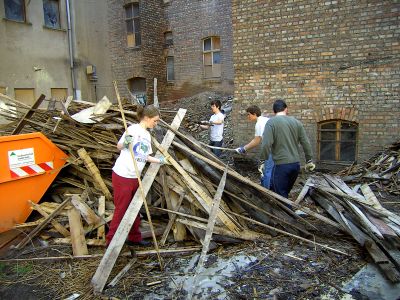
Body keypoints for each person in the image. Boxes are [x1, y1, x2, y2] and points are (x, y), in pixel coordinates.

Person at [106, 105, 169, 247]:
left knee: (134, 208)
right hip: (123, 175)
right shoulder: (133, 130)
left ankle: (135, 238)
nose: (156, 123)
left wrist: (160, 161)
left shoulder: (147, 135)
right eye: (155, 120)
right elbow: (119, 146)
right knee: (121, 209)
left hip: (135, 177)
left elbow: (145, 156)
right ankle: (111, 242)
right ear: (146, 118)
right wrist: (125, 143)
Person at [260, 99, 315, 199]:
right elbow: (306, 143)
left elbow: (266, 144)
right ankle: (285, 212)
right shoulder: (296, 122)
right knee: (284, 194)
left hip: (281, 166)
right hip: (295, 166)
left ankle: (287, 214)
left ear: (274, 111)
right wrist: (309, 160)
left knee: (280, 197)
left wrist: (262, 161)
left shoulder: (271, 123)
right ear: (286, 109)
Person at [235, 105, 274, 188]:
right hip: (277, 147)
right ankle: (268, 188)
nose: (248, 116)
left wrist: (243, 148)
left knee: (266, 171)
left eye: (249, 114)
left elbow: (256, 141)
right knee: (269, 170)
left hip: (271, 148)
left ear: (255, 114)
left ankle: (266, 192)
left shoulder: (259, 124)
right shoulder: (265, 120)